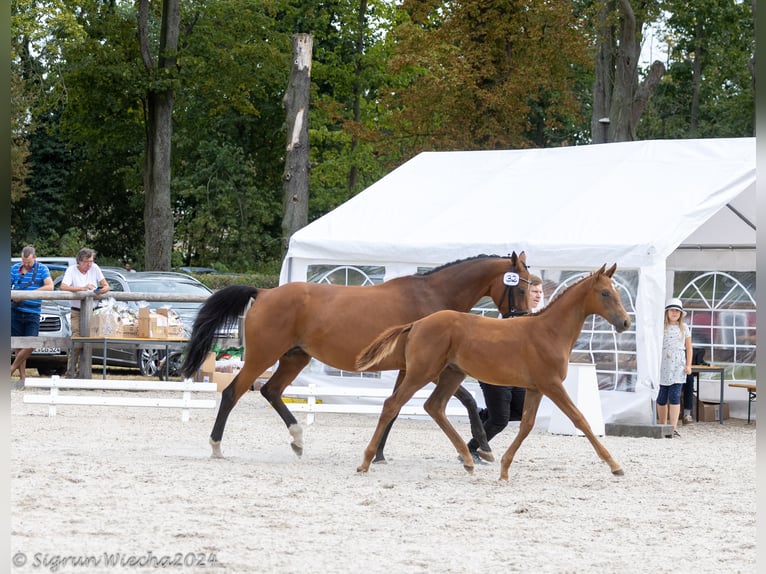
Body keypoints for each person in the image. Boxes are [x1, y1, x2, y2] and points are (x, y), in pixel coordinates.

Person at [466, 274, 544, 461]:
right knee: (499, 420)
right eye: (534, 291)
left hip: (514, 374)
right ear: (524, 292)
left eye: (540, 292)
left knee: (521, 410)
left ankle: (481, 416)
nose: (538, 295)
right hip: (494, 370)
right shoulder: (512, 314)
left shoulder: (534, 316)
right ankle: (470, 449)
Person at [60, 248, 111, 377]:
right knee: (76, 340)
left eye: (91, 261)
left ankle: (86, 372)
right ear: (79, 261)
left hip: (92, 311)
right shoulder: (71, 270)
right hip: (77, 310)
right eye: (87, 262)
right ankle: (71, 371)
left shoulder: (95, 268)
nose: (90, 265)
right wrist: (82, 289)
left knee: (89, 341)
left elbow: (106, 286)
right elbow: (64, 286)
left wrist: (99, 291)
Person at [10, 245, 54, 388]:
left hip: (33, 312)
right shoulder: (15, 268)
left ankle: (10, 370)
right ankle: (22, 379)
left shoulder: (42, 269)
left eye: (28, 262)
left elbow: (50, 286)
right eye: (24, 261)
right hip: (16, 310)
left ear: (34, 258)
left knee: (31, 343)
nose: (26, 264)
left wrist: (28, 294)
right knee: (18, 345)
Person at [657, 297, 692, 437]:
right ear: (667, 312)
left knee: (675, 396)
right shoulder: (661, 327)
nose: (674, 313)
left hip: (678, 366)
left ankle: (673, 427)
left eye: (677, 311)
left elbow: (689, 348)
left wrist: (688, 365)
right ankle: (663, 425)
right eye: (672, 310)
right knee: (661, 397)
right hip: (663, 365)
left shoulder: (684, 328)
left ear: (681, 314)